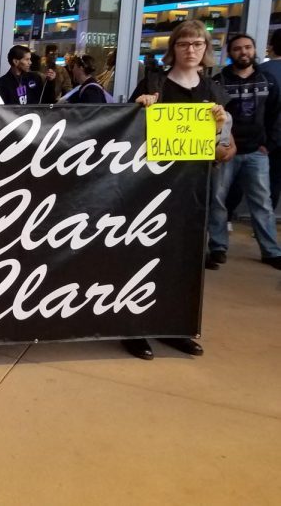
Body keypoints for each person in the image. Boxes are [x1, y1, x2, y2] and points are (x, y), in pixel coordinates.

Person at [129, 19, 233, 361]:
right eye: (184, 44)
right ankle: (135, 328)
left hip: (193, 190)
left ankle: (175, 326)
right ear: (173, 47)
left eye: (198, 45)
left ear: (206, 50)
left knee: (184, 262)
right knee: (143, 259)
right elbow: (124, 134)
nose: (191, 50)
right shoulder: (154, 84)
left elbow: (226, 148)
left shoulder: (214, 92)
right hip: (151, 188)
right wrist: (140, 109)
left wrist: (222, 131)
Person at [208, 33, 281, 270]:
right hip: (225, 150)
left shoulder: (267, 80)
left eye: (248, 47)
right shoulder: (219, 82)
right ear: (230, 53)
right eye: (238, 48)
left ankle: (270, 251)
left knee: (262, 201)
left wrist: (269, 144)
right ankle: (218, 247)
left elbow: (276, 114)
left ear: (255, 50)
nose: (243, 52)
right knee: (218, 200)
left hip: (256, 152)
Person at [259, 29, 281, 208]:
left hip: (263, 137)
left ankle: (227, 219)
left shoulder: (262, 71)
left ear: (271, 47)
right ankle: (268, 216)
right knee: (275, 179)